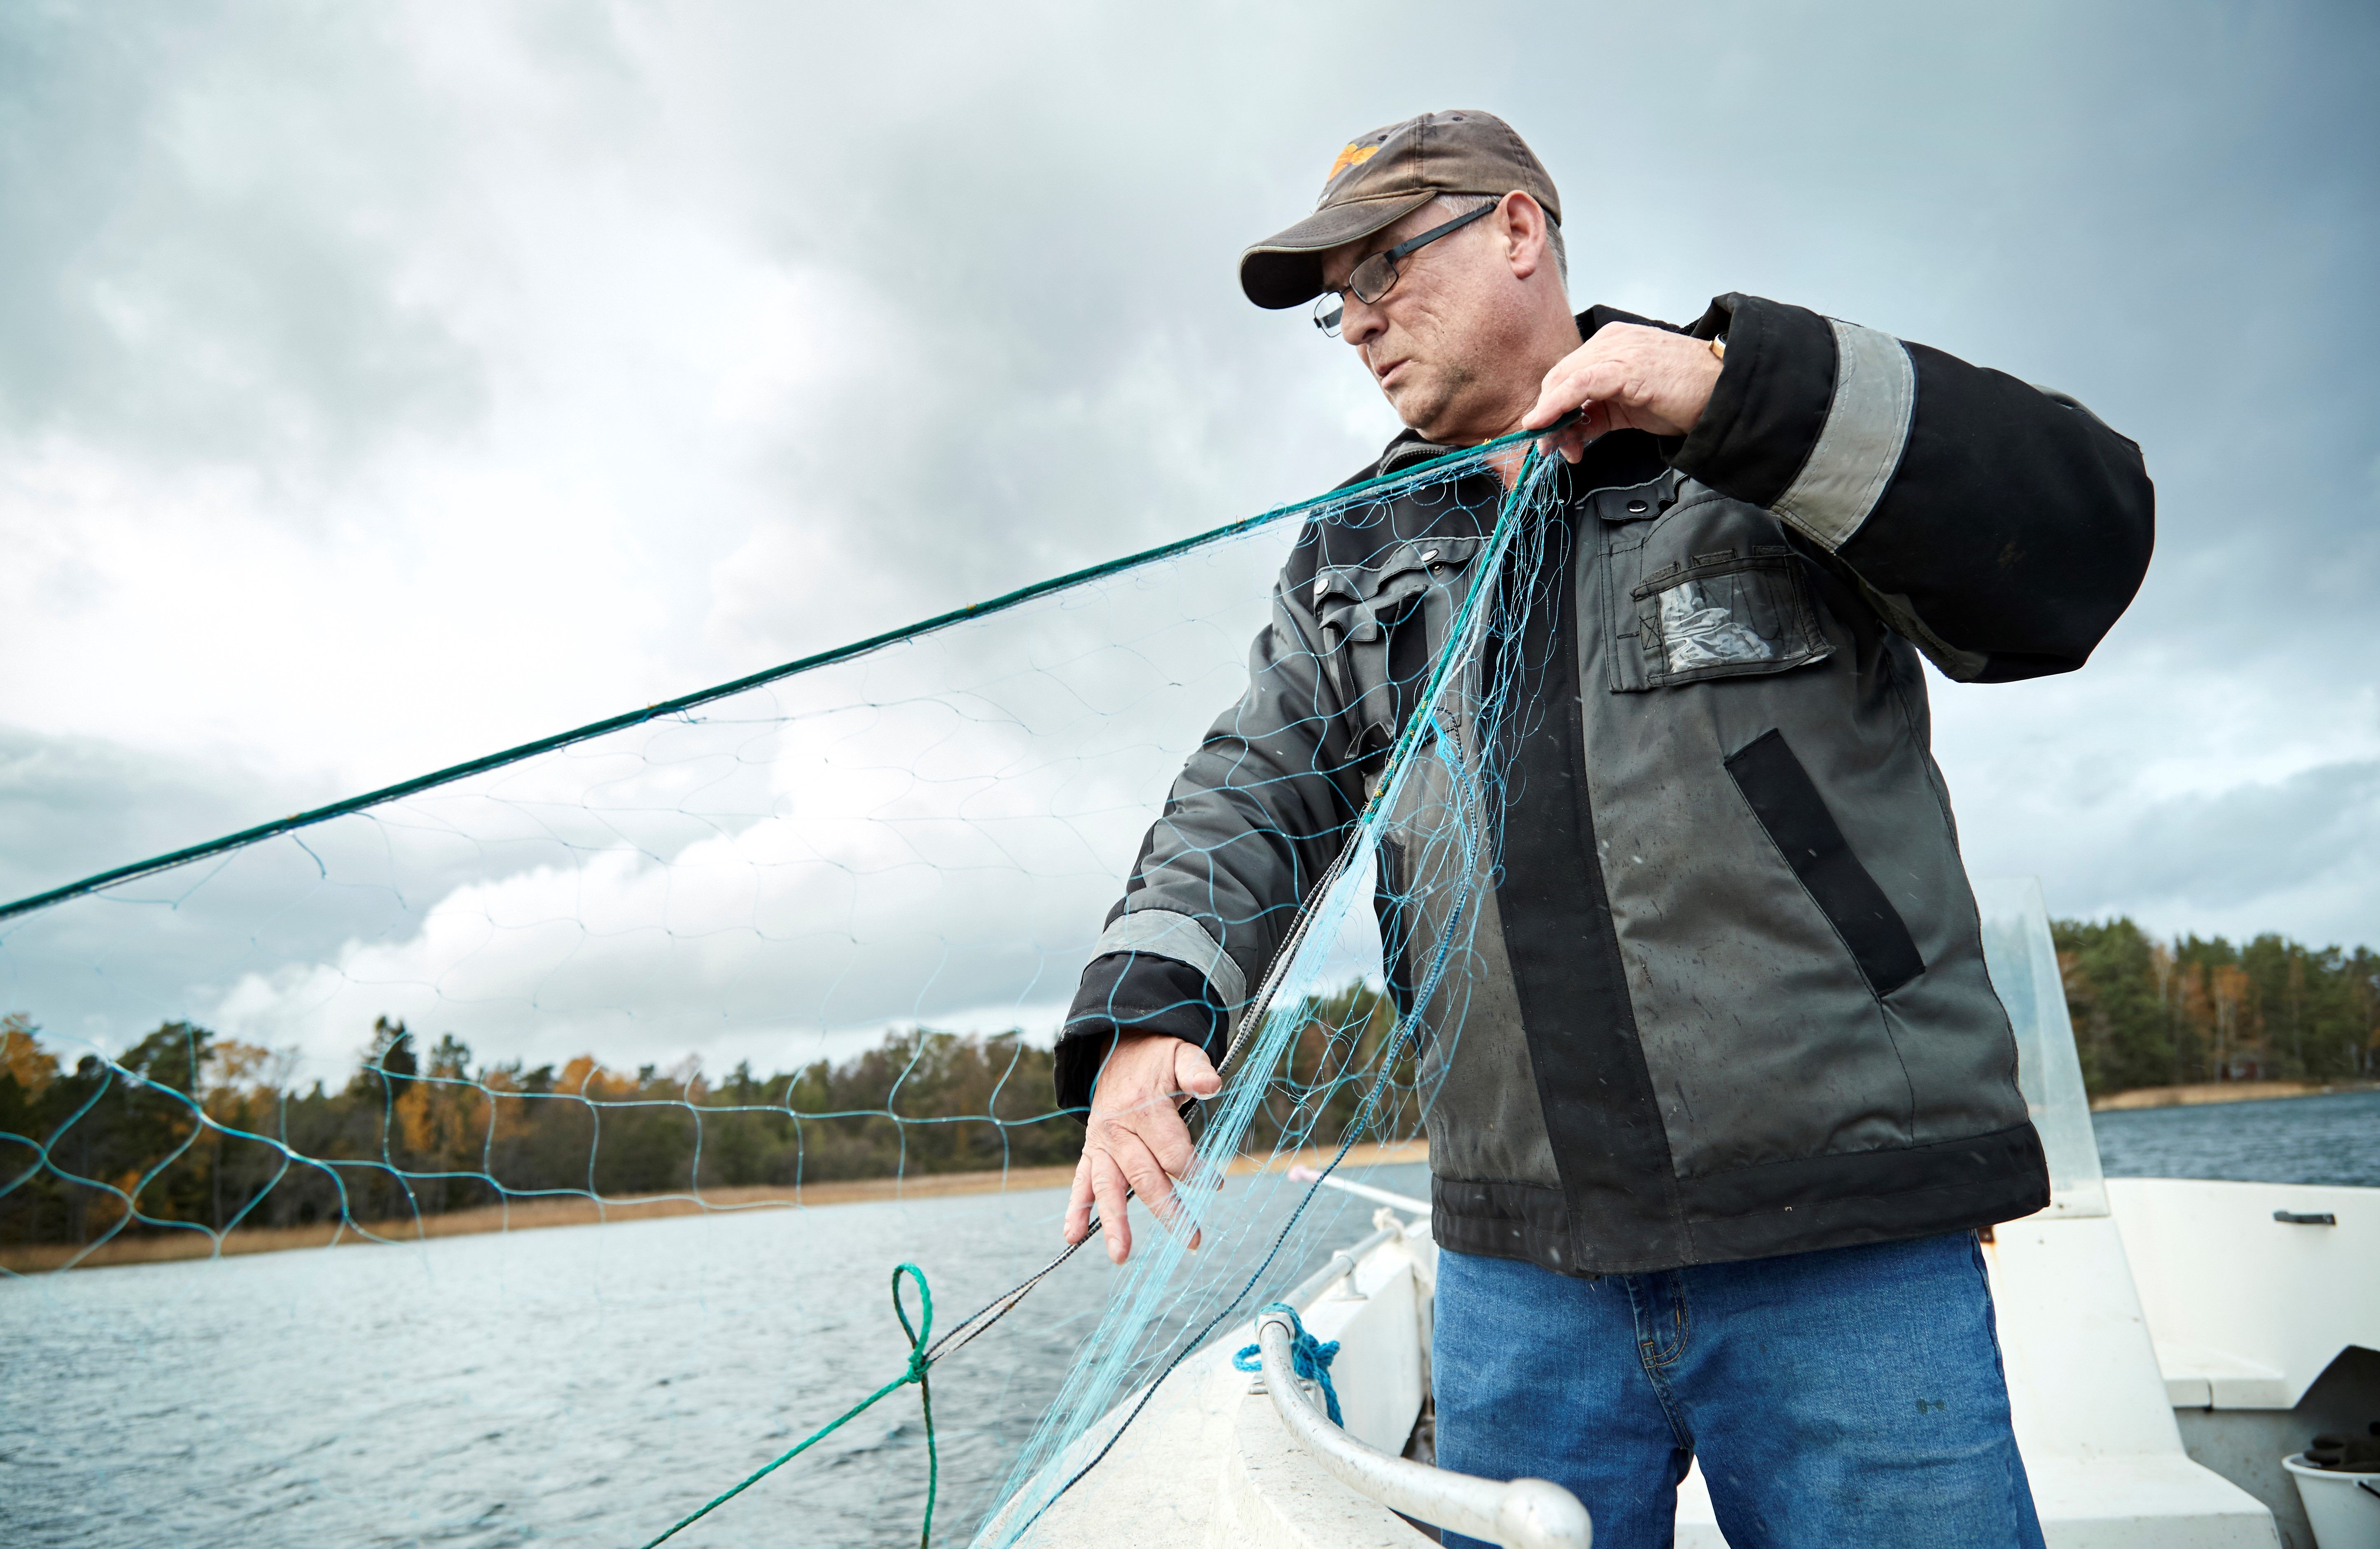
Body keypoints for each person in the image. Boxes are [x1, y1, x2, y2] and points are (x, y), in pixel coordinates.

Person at [1052, 110, 2152, 1547]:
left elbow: (2074, 551)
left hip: (1844, 1242)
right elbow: (1252, 790)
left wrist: (1726, 389)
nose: (1359, 322)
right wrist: (1148, 1014)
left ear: (1517, 230)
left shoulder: (1756, 430)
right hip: (1522, 1275)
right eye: (1337, 303)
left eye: (1386, 265)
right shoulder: (1355, 545)